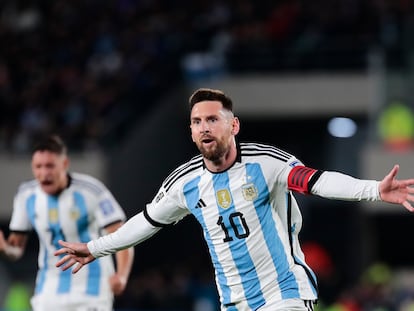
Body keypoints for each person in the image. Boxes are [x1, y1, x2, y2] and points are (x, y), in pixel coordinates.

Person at [55, 88, 414, 311]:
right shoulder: (186, 183)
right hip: (235, 302)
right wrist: (96, 247)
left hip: (284, 293)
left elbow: (316, 181)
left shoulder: (267, 162)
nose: (204, 127)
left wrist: (373, 189)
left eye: (213, 119)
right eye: (197, 122)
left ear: (234, 126)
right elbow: (145, 222)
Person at [0, 135, 134, 311]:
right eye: (38, 167)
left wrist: (122, 275)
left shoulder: (92, 190)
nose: (44, 173)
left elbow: (122, 236)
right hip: (49, 287)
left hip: (93, 286)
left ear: (64, 164)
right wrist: (4, 248)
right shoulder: (26, 195)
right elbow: (16, 250)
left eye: (50, 166)